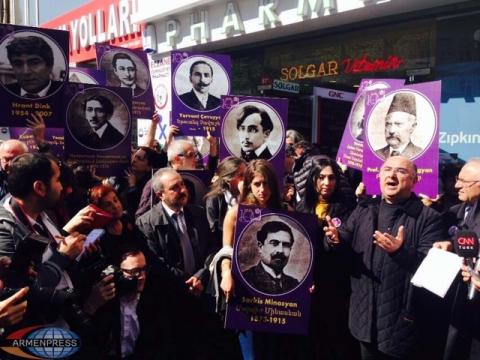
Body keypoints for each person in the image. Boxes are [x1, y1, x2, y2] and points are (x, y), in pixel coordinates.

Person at [324, 155, 445, 359]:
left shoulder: (429, 218)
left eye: (401, 171)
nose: (392, 175)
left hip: (403, 327)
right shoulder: (364, 209)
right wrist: (334, 240)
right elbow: (342, 242)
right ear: (379, 176)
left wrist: (400, 252)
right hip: (363, 319)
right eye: (387, 170)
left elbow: (433, 272)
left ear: (415, 181)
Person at [135, 167, 217, 358]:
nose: (182, 190)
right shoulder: (146, 223)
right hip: (170, 301)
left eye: (182, 184)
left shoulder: (198, 214)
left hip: (201, 295)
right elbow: (156, 264)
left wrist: (201, 276)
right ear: (160, 194)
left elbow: (211, 249)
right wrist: (188, 282)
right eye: (175, 187)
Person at [296, 157, 359, 359]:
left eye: (331, 178)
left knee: (334, 340)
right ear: (312, 179)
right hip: (307, 288)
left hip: (336, 287)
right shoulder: (301, 210)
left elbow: (352, 249)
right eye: (321, 177)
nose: (326, 183)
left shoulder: (348, 209)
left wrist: (337, 240)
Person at [82, 245, 171, 359]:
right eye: (135, 272)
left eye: (144, 269)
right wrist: (91, 306)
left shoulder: (154, 300)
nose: (142, 277)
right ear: (117, 272)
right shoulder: (103, 300)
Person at [433, 159, 480, 360]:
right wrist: (450, 246)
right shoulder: (454, 213)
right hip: (455, 307)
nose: (456, 185)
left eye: (463, 181)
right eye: (456, 179)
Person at [242, 220, 299, 294]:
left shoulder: (295, 284)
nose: (280, 250)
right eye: (274, 243)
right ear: (260, 247)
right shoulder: (245, 279)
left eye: (286, 245)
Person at [205, 156, 246, 248]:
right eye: (240, 175)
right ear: (228, 179)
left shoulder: (249, 195)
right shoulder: (214, 199)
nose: (245, 179)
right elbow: (213, 232)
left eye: (246, 174)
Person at [374, 92, 423, 160]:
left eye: (398, 124)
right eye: (388, 124)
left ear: (412, 127)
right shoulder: (377, 154)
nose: (391, 130)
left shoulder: (420, 153)